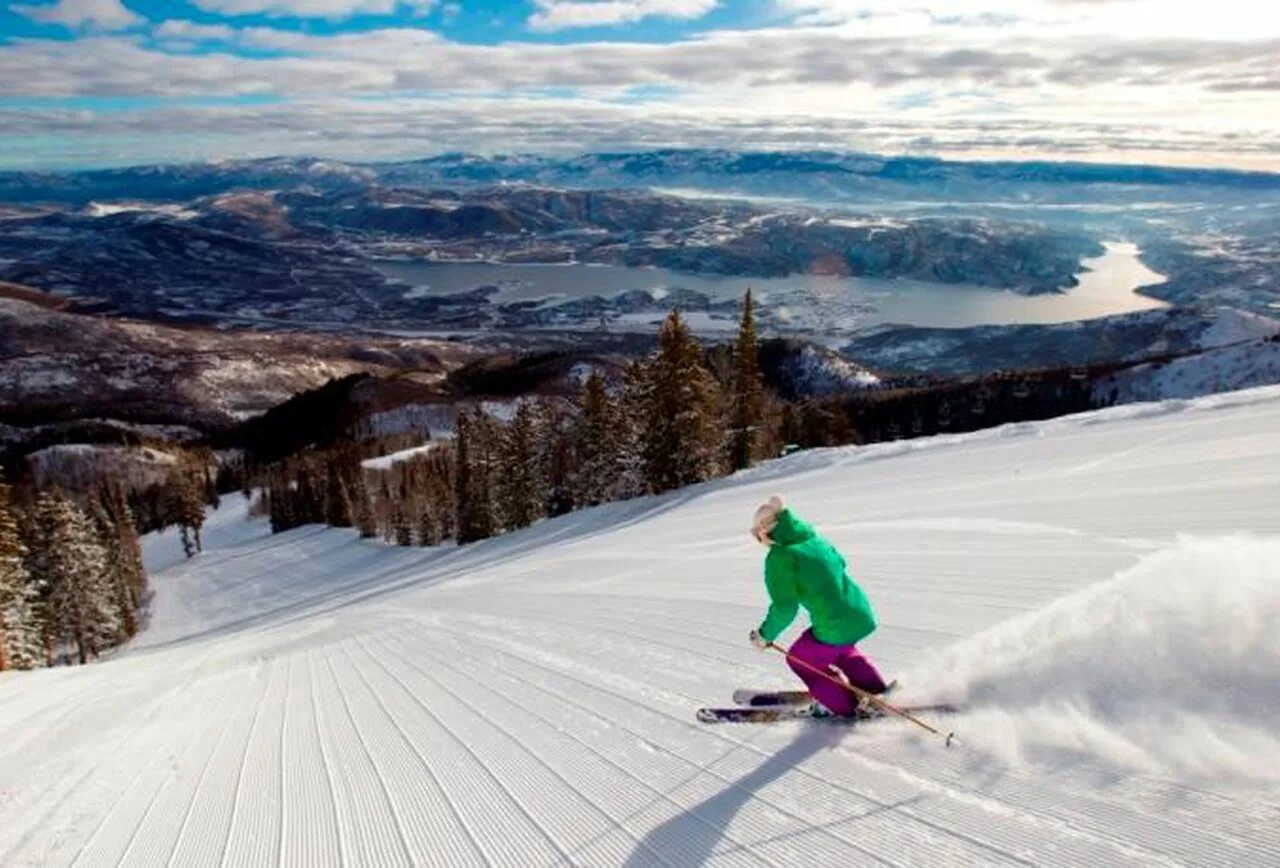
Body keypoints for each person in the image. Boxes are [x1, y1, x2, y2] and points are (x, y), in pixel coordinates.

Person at [748, 495, 892, 715]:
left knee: (800, 659)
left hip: (834, 623)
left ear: (765, 531)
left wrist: (765, 635)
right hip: (861, 613)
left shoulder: (781, 556)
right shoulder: (817, 541)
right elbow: (839, 566)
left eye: (757, 535)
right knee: (841, 649)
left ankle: (842, 705)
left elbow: (785, 607)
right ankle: (876, 691)